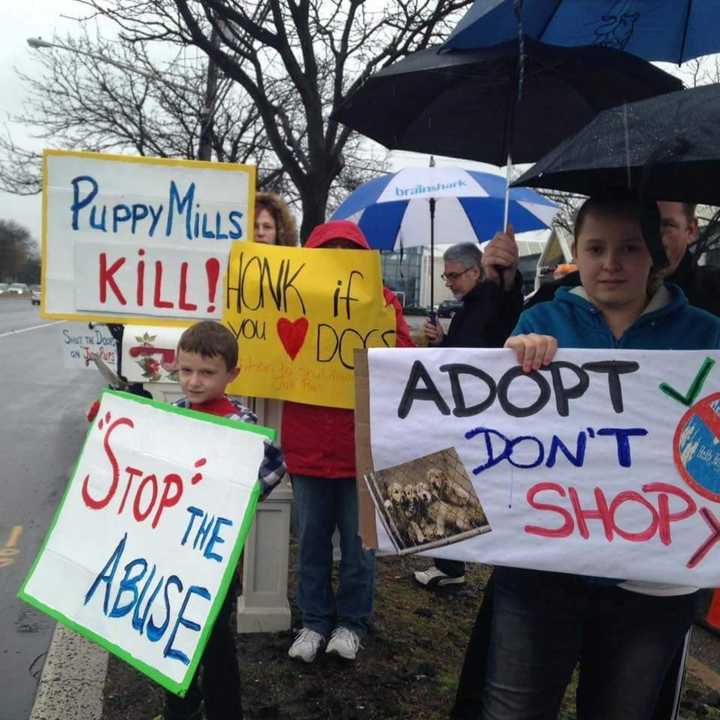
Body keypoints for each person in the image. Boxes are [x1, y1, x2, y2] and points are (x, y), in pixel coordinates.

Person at [478, 191, 720, 720]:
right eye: (595, 248)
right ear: (578, 254)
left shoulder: (706, 336)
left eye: (630, 248)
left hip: (652, 583)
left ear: (655, 254)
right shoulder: (541, 322)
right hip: (541, 569)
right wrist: (509, 361)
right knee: (513, 710)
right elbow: (491, 434)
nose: (611, 263)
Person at [282, 219, 414, 664]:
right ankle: (314, 621)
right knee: (313, 543)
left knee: (360, 549)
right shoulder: (291, 302)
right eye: (329, 249)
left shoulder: (384, 303)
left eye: (348, 249)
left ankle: (352, 623)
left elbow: (401, 363)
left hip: (361, 450)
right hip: (306, 447)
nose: (339, 256)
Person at [159, 320, 286, 720]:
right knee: (168, 628)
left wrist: (244, 495)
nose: (194, 382)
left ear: (232, 374)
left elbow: (274, 467)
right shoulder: (172, 414)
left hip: (215, 557)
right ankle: (179, 707)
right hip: (171, 549)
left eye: (207, 373)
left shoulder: (242, 425)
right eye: (185, 370)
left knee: (214, 642)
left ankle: (224, 710)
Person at [413, 239, 523, 589]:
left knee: (459, 484)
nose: (450, 283)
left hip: (483, 413)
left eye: (454, 276)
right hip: (464, 410)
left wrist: (506, 278)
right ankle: (449, 564)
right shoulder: (467, 309)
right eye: (445, 278)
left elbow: (509, 306)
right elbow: (459, 356)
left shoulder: (493, 301)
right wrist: (441, 342)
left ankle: (453, 564)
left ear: (476, 271)